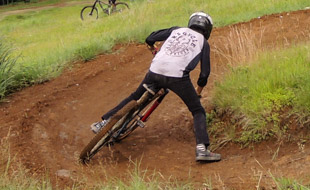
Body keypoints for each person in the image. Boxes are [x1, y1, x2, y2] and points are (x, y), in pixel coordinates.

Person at [89, 11, 221, 162]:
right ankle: (202, 149)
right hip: (178, 77)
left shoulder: (176, 30)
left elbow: (150, 38)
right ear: (208, 29)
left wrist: (152, 48)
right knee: (197, 111)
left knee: (134, 97)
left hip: (155, 70)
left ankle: (104, 123)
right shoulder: (203, 42)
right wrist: (198, 90)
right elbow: (204, 74)